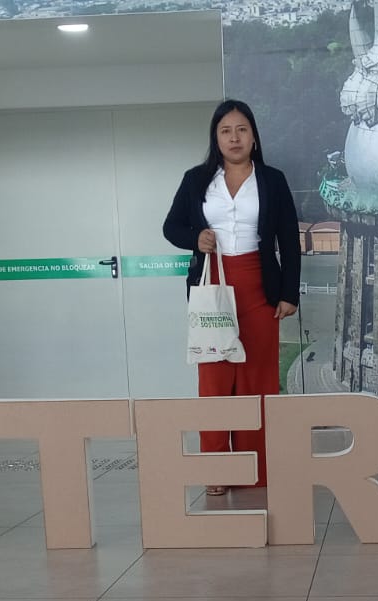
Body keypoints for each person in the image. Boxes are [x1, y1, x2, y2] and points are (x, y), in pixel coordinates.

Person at [162, 99, 301, 493]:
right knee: (215, 378)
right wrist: (196, 237)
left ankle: (256, 469)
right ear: (216, 138)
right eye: (226, 131)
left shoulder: (272, 180)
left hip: (260, 288)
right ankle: (218, 471)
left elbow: (289, 241)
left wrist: (289, 293)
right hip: (213, 286)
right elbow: (171, 227)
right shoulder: (196, 179)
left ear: (254, 136)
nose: (234, 137)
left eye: (242, 129)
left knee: (258, 378)